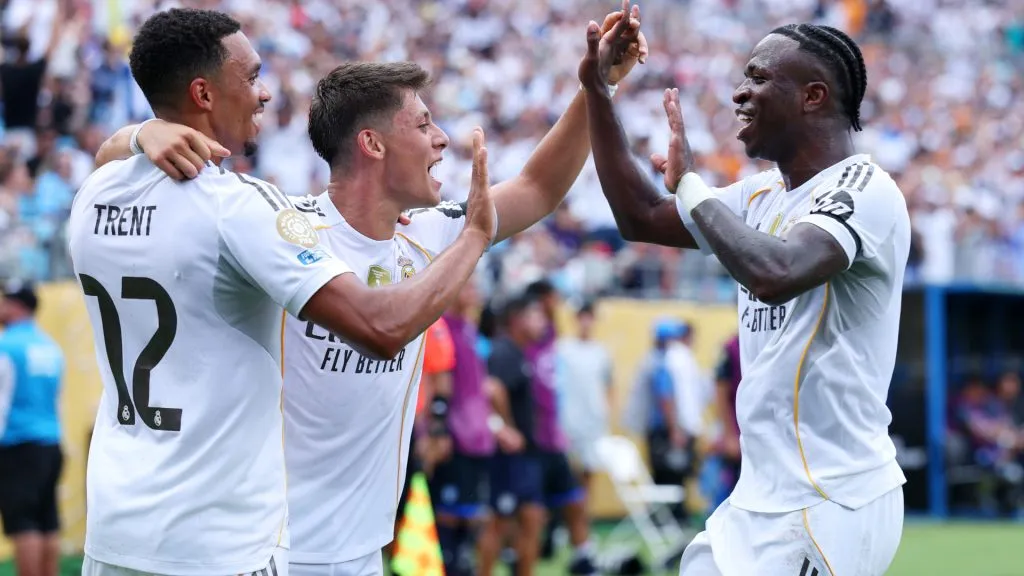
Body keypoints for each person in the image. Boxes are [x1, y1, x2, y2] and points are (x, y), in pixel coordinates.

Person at [96, 11, 647, 576]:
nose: (442, 139)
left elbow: (539, 186)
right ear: (373, 144)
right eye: (424, 123)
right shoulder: (283, 228)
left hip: (363, 550)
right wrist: (136, 134)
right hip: (272, 549)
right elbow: (149, 182)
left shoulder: (430, 234)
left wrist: (596, 86)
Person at [70, 9, 496, 576]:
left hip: (116, 531)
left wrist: (140, 133)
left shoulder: (95, 194)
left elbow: (109, 156)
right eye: (250, 77)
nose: (265, 93)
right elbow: (381, 328)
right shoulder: (238, 206)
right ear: (203, 92)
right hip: (218, 541)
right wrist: (474, 239)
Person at [579, 3, 909, 574]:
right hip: (757, 499)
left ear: (812, 96)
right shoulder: (761, 196)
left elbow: (775, 273)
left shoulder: (867, 189)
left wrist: (689, 185)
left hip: (834, 497)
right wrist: (598, 92)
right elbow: (640, 215)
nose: (738, 93)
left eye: (758, 78)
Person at [0, 282, 64, 576]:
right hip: (50, 444)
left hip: (18, 445)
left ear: (18, 307)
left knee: (23, 522)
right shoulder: (49, 346)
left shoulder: (7, 346)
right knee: (47, 521)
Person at [556, 299, 613, 494]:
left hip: (592, 420)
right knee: (568, 471)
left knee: (589, 470)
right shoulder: (563, 349)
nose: (586, 323)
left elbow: (609, 385)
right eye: (582, 318)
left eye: (590, 318)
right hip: (568, 419)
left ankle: (584, 515)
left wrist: (605, 411)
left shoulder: (601, 352)